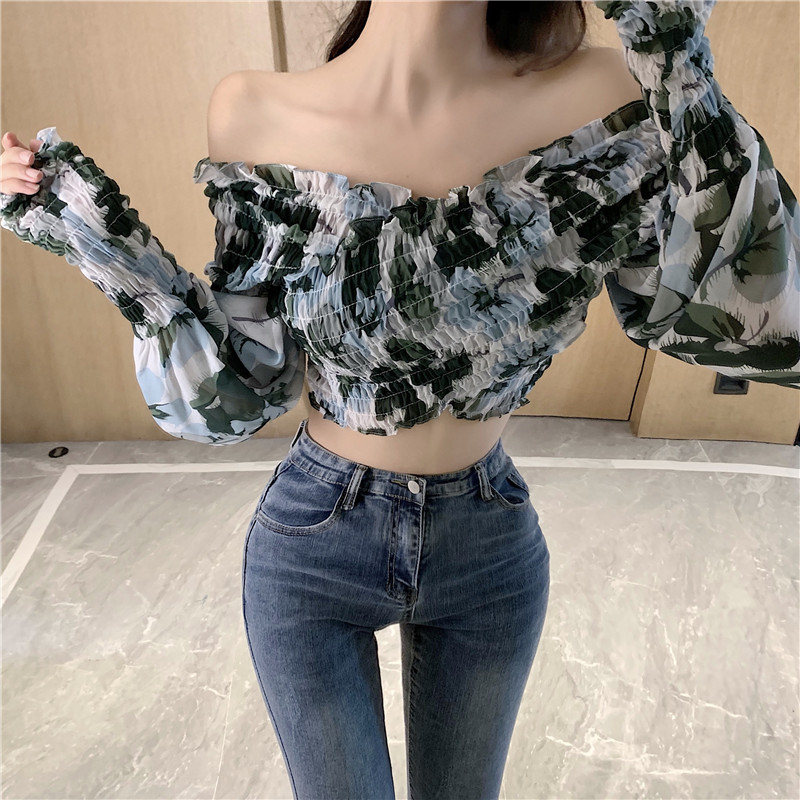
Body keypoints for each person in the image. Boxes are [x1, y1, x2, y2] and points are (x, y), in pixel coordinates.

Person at [1, 1, 798, 798]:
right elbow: (244, 394)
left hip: (488, 543)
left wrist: (674, 54)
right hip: (315, 540)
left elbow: (759, 322)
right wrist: (92, 234)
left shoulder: (613, 92)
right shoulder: (255, 110)